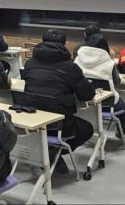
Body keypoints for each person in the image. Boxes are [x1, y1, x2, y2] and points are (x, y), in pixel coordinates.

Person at [24, 29, 95, 174]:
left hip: (32, 118)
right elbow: (86, 95)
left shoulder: (30, 63)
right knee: (87, 129)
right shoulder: (70, 67)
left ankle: (51, 152)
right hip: (60, 123)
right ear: (64, 44)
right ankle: (53, 152)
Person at [74, 33, 125, 134]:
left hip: (82, 103)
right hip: (107, 104)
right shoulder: (109, 63)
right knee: (122, 105)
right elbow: (117, 82)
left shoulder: (77, 60)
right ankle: (122, 133)